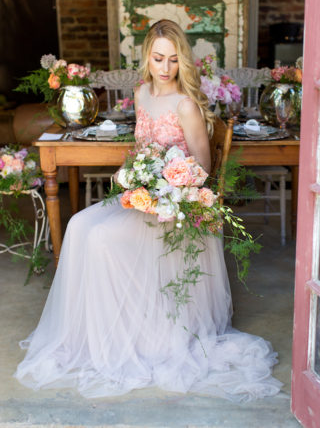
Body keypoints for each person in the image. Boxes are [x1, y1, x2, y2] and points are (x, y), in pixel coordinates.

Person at [15, 20, 282, 402]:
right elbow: (141, 151)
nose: (165, 67)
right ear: (147, 57)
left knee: (103, 238)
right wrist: (137, 176)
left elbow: (202, 171)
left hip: (178, 207)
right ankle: (95, 333)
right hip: (145, 200)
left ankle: (134, 334)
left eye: (174, 60)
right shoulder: (141, 94)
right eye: (158, 58)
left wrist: (166, 188)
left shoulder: (185, 104)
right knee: (78, 225)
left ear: (182, 62)